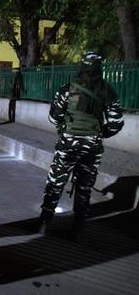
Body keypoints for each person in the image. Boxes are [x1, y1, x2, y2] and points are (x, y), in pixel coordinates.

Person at [37, 51, 124, 240]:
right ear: (99, 67)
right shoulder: (108, 91)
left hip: (67, 144)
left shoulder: (67, 89)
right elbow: (116, 123)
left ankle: (44, 223)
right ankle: (77, 228)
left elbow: (53, 117)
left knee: (55, 182)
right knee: (84, 186)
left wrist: (65, 127)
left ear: (82, 66)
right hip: (92, 146)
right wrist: (100, 133)